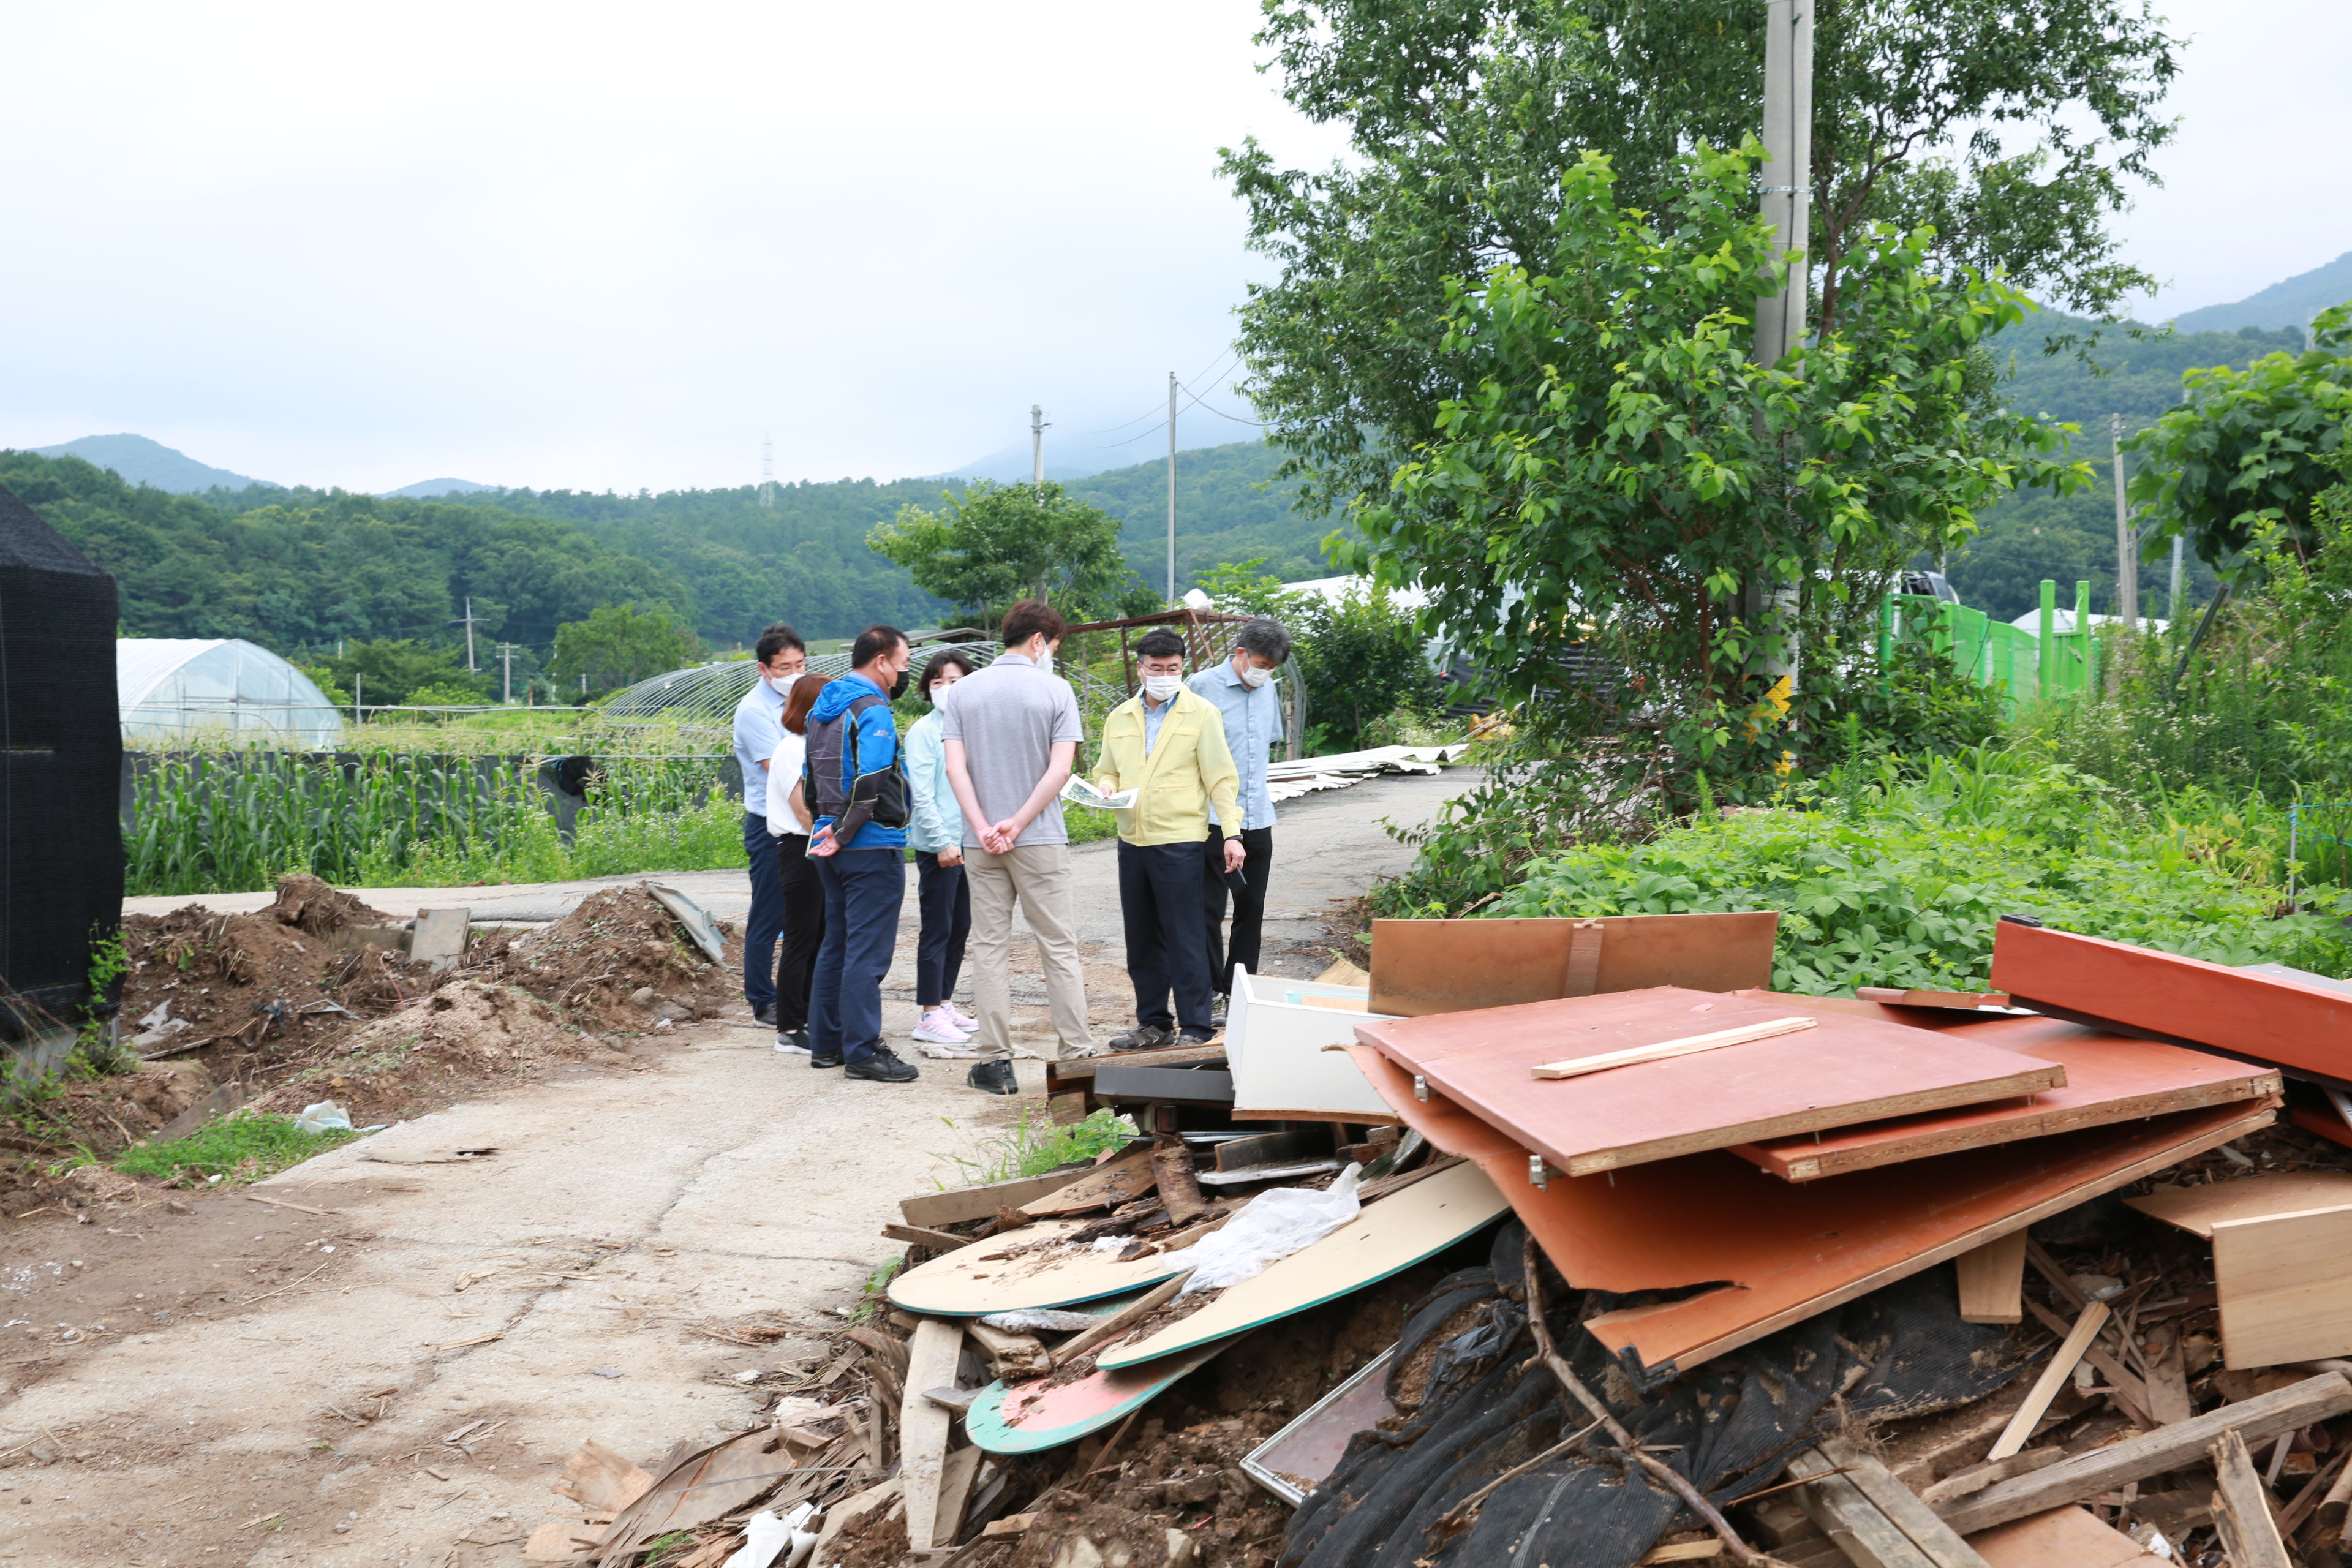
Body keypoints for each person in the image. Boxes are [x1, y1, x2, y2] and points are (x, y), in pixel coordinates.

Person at [941, 598, 1094, 1094]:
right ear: (1037, 641)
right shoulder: (1056, 689)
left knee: (989, 948)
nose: (1050, 652)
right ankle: (1076, 1057)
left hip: (980, 842)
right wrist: (1019, 821)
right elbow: (1061, 769)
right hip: (1040, 836)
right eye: (1052, 644)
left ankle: (995, 1062)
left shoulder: (963, 691)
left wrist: (985, 825)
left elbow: (955, 769)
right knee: (1058, 946)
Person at [1093, 627, 1243, 1050]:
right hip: (1133, 840)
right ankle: (1154, 1024)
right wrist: (1104, 786)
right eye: (1156, 668)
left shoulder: (1202, 714)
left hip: (1181, 840)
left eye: (1173, 668)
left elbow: (1221, 779)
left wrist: (1232, 834)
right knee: (1141, 938)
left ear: (1183, 668)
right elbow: (1104, 768)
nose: (1164, 675)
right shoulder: (1120, 717)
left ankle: (1196, 1026)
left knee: (1186, 935)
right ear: (1140, 669)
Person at [803, 625, 919, 1084]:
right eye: (903, 663)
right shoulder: (873, 711)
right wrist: (846, 832)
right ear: (881, 662)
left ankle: (827, 1043)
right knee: (866, 954)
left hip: (827, 840)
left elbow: (811, 776)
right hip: (868, 845)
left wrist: (825, 829)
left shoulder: (822, 708)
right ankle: (864, 1049)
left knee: (837, 943)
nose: (904, 672)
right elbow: (871, 782)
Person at [1189, 617, 1291, 1010]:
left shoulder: (1268, 692)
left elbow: (1262, 748)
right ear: (1241, 654)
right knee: (1208, 908)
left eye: (1271, 668)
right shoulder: (1201, 687)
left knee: (1252, 906)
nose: (1264, 673)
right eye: (1261, 665)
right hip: (1213, 820)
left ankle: (1239, 989)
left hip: (1257, 817)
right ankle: (1210, 986)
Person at [731, 624, 807, 1026]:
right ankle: (763, 999)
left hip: (805, 822)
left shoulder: (806, 700)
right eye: (783, 667)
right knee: (770, 913)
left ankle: (799, 994)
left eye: (800, 664)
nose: (793, 673)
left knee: (806, 913)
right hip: (770, 825)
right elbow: (781, 772)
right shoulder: (754, 711)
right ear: (764, 670)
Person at [903, 650, 979, 1050]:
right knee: (937, 929)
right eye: (937, 683)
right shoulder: (923, 733)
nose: (946, 689)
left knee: (960, 926)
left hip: (968, 843)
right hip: (941, 846)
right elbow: (922, 796)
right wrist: (942, 843)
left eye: (954, 681)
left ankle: (946, 1002)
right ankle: (929, 1012)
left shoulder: (972, 729)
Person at [764, 671, 831, 1055]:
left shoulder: (810, 746)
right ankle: (789, 1027)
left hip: (814, 847)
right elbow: (803, 810)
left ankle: (806, 1015)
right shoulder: (791, 749)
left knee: (819, 936)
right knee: (800, 939)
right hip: (799, 847)